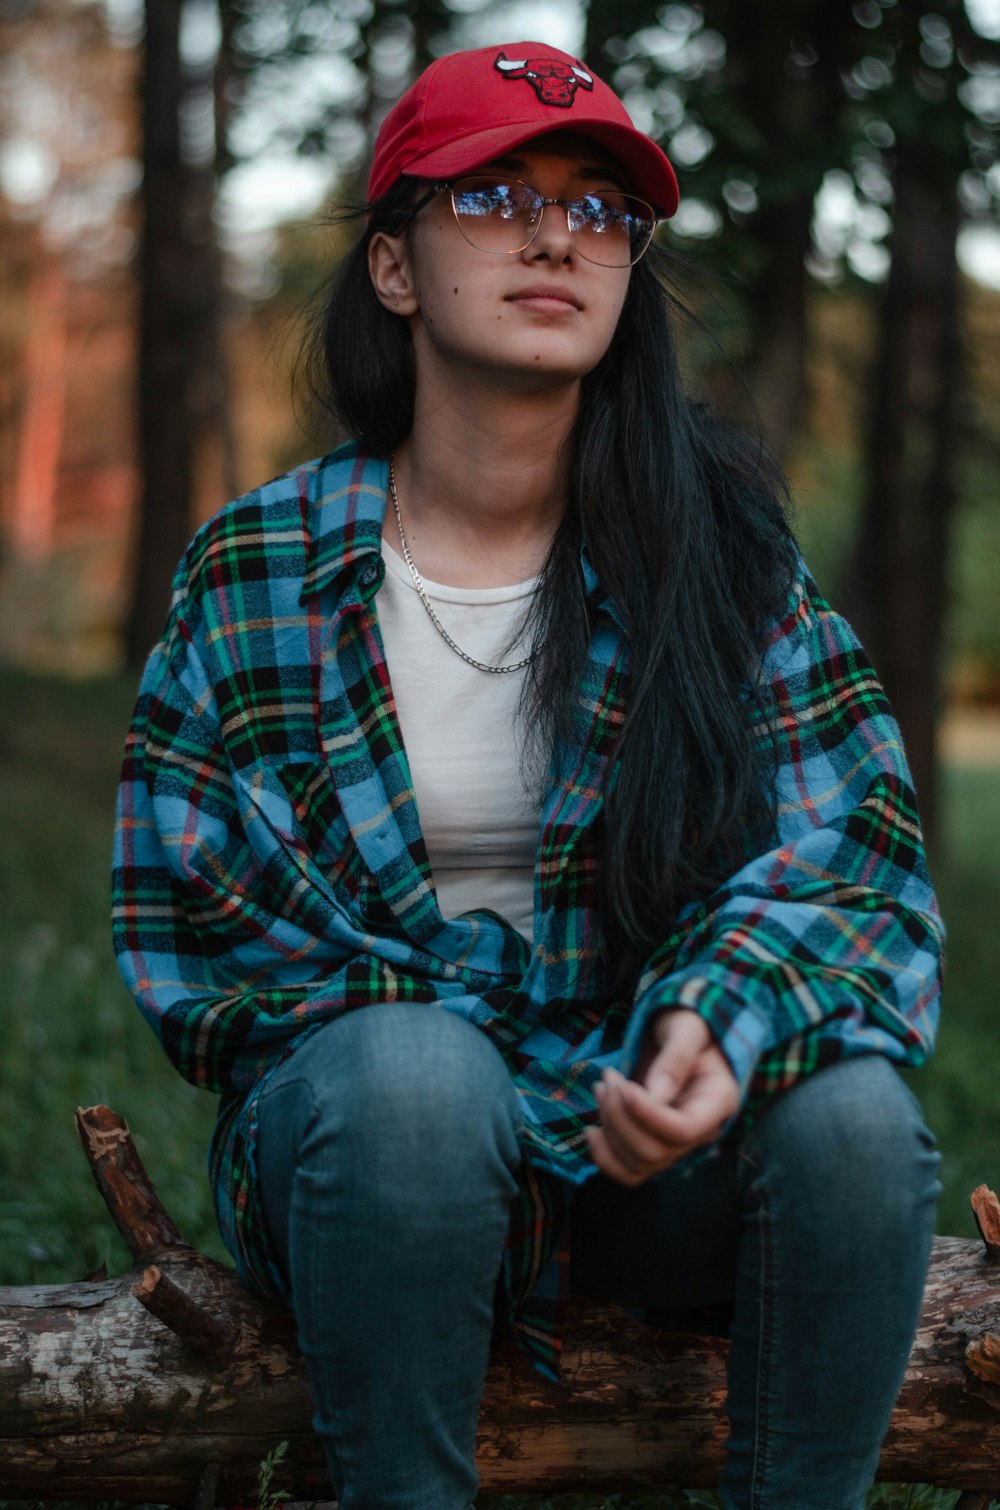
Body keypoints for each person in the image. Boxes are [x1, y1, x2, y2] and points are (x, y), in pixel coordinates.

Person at [112, 39, 944, 1510]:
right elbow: (200, 933)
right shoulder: (255, 569)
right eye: (495, 195)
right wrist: (478, 1049)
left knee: (855, 1111)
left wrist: (712, 1014)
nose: (558, 231)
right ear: (391, 269)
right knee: (423, 1083)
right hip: (369, 1156)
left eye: (598, 208)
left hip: (648, 1146)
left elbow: (854, 849)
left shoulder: (724, 555)